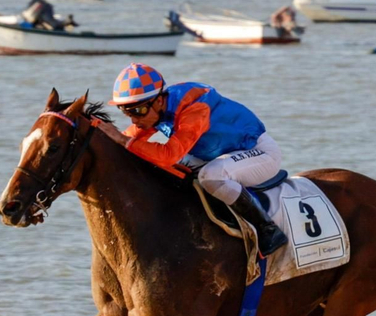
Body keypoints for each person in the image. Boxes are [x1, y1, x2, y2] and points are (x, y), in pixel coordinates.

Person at [101, 63, 288, 256]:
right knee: (169, 173)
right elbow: (128, 140)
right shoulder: (156, 110)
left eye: (137, 111)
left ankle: (268, 230)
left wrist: (123, 141)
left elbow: (167, 154)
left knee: (211, 176)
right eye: (126, 112)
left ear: (158, 100)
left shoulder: (195, 108)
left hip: (259, 152)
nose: (133, 119)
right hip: (217, 155)